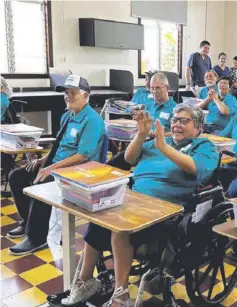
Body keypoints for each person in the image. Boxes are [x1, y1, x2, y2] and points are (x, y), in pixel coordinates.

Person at [61, 104, 219, 307]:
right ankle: (84, 281)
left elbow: (196, 168)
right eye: (175, 119)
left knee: (120, 228)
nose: (177, 124)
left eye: (184, 120)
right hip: (133, 200)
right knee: (98, 218)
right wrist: (141, 134)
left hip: (165, 211)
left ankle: (121, 295)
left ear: (198, 128)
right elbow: (129, 158)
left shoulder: (203, 146)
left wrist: (165, 148)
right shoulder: (160, 141)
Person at [7, 75, 106, 255]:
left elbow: (83, 156)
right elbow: (59, 145)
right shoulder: (67, 116)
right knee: (17, 176)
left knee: (42, 184)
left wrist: (51, 168)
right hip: (58, 165)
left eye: (73, 93)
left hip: (79, 171)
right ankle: (28, 221)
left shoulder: (92, 120)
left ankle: (36, 237)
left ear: (86, 96)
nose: (68, 96)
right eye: (66, 93)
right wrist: (42, 161)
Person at [106, 72, 177, 170]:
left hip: (158, 148)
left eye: (158, 88)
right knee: (113, 164)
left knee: (121, 162)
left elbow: (176, 134)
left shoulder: (176, 109)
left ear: (167, 88)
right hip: (140, 144)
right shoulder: (147, 105)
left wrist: (156, 134)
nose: (154, 91)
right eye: (152, 88)